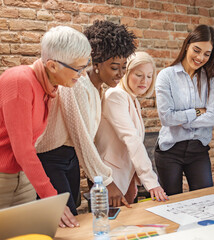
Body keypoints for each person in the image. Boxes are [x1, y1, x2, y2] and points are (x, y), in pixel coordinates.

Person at [0, 26, 91, 238]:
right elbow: (23, 150)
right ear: (52, 65)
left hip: (21, 181)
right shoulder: (20, 81)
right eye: (78, 68)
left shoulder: (48, 88)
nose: (81, 74)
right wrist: (52, 199)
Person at [35, 20, 137, 219]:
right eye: (115, 67)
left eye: (124, 67)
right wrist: (106, 180)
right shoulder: (76, 85)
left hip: (71, 158)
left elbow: (88, 139)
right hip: (51, 158)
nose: (121, 74)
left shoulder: (99, 89)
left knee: (72, 217)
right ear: (96, 63)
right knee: (63, 219)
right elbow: (81, 136)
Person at [154, 25, 214, 196]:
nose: (200, 57)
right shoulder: (166, 76)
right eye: (197, 50)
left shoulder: (212, 80)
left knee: (205, 200)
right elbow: (167, 118)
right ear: (187, 45)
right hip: (169, 151)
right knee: (171, 203)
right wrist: (198, 111)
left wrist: (182, 120)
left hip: (198, 150)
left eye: (207, 54)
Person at [95, 52, 168, 203]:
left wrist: (134, 178)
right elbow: (132, 139)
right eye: (139, 74)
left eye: (149, 76)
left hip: (126, 176)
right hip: (111, 178)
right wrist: (151, 182)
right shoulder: (115, 96)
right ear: (126, 73)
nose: (145, 81)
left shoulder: (132, 99)